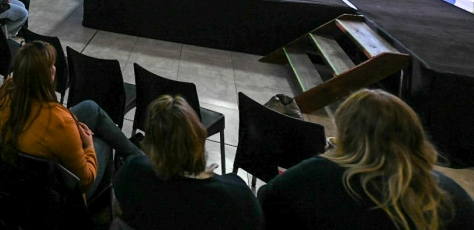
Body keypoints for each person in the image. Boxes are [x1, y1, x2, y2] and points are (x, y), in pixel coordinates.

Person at [258, 89, 474, 230]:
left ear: (346, 132)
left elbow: (264, 203)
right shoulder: (450, 194)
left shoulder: (313, 175)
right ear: (414, 135)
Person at [0, 41, 142, 199]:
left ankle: (138, 157)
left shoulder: (7, 88)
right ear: (44, 77)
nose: (55, 68)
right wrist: (89, 145)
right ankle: (101, 211)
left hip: (20, 176)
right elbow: (85, 181)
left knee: (90, 108)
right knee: (104, 144)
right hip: (58, 198)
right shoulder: (59, 120)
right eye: (51, 66)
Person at [114, 95, 263, 230]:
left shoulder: (133, 171)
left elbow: (119, 211)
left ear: (150, 146)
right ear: (201, 135)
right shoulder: (237, 195)